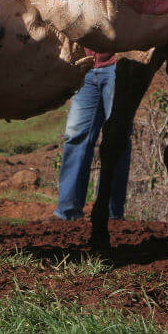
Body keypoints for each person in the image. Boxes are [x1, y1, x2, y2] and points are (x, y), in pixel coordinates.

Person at [53, 50, 131, 220]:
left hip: (118, 66)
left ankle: (111, 214)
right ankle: (67, 211)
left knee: (117, 138)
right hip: (86, 68)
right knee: (76, 136)